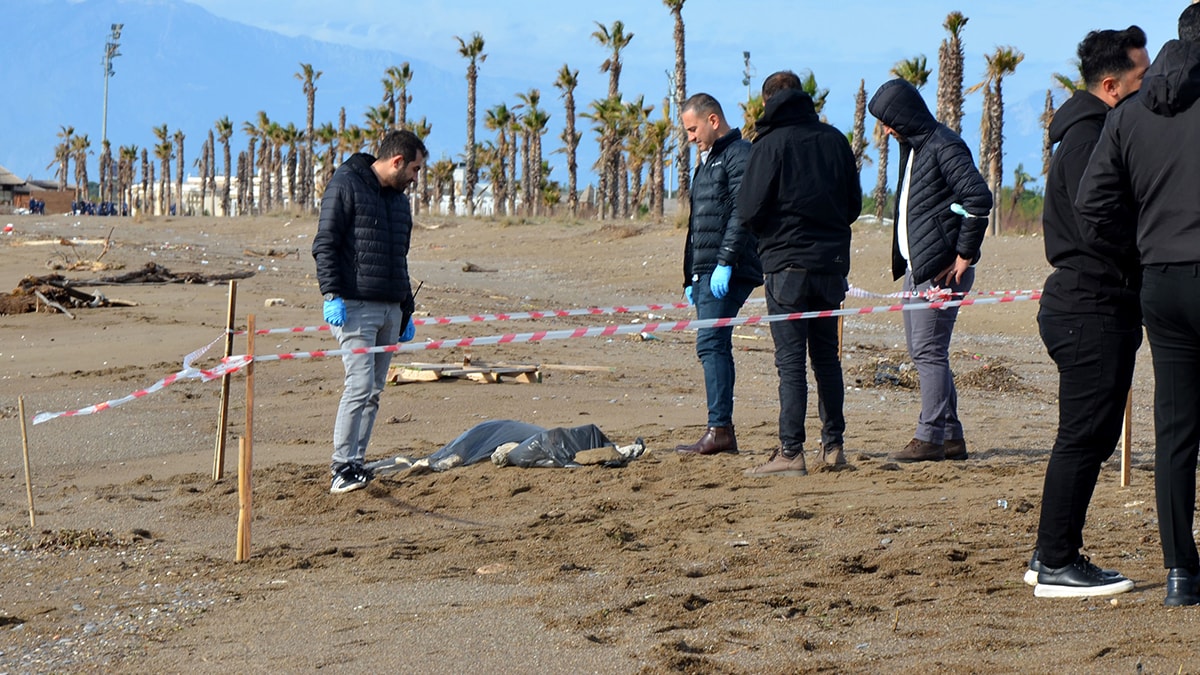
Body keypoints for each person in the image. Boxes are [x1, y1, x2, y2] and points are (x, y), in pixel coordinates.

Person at [1077, 4, 1200, 607]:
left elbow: (1091, 204)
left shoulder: (1129, 115)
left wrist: (1139, 248)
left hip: (1163, 280)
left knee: (1175, 429)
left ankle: (1181, 575)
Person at [1027, 26, 1149, 599]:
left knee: (1085, 437)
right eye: (1141, 79)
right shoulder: (1089, 138)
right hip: (1088, 304)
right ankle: (1057, 560)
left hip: (1090, 302)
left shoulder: (1090, 132)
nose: (1150, 89)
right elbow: (1097, 223)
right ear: (1111, 85)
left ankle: (1047, 552)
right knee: (1083, 437)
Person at [736, 71, 862, 476]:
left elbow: (749, 209)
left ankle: (791, 450)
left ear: (769, 101)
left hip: (786, 265)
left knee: (790, 360)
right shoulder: (835, 140)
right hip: (830, 264)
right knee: (827, 357)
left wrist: (773, 238)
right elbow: (853, 205)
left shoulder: (769, 144)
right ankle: (834, 446)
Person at [868, 78, 992, 463]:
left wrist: (964, 255)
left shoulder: (944, 145)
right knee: (924, 350)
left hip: (941, 271)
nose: (886, 130)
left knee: (928, 350)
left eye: (889, 121)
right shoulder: (915, 148)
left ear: (903, 115)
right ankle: (951, 436)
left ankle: (930, 437)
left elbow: (978, 198)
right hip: (917, 267)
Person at [312, 129, 426, 495]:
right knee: (358, 386)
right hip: (355, 307)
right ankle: (340, 467)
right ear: (397, 162)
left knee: (374, 390)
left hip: (390, 309)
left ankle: (357, 464)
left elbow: (399, 258)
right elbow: (325, 244)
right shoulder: (346, 184)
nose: (415, 178)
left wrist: (406, 311)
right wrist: (331, 294)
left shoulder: (399, 202)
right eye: (415, 169)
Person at [674, 93, 762, 456]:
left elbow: (743, 212)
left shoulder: (738, 153)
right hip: (705, 271)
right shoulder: (707, 162)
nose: (690, 137)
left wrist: (725, 261)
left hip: (728, 268)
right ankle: (720, 428)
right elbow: (698, 225)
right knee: (712, 343)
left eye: (693, 129)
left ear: (713, 120)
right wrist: (689, 277)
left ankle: (720, 429)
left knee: (711, 343)